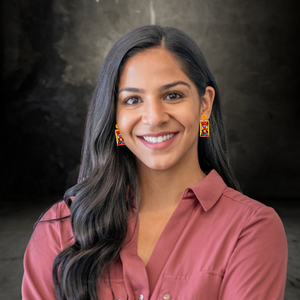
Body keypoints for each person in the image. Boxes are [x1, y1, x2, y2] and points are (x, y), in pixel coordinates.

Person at [22, 25, 288, 300]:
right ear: (114, 116)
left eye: (172, 95)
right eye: (133, 99)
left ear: (205, 104)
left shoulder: (252, 228)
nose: (154, 117)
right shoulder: (58, 227)